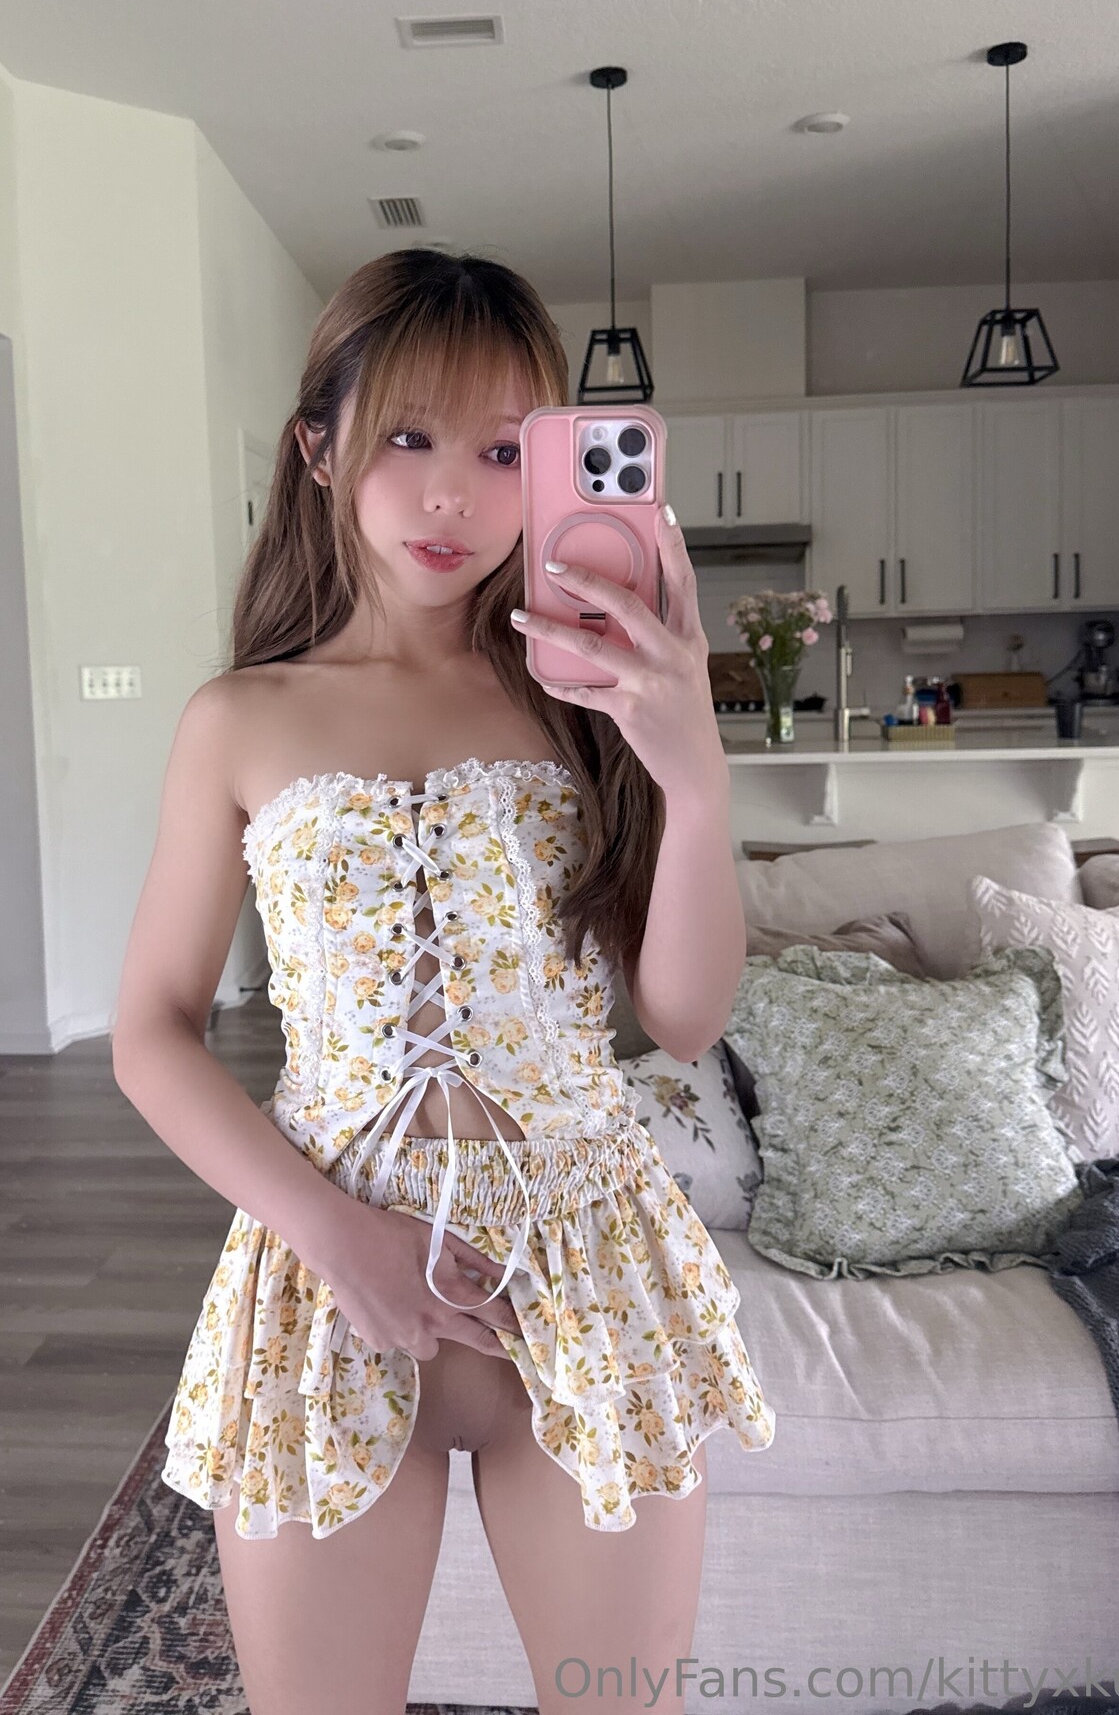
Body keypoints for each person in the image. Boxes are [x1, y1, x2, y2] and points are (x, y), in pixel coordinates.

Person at [111, 248, 775, 1715]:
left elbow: (684, 1016)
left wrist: (697, 776)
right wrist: (336, 1235)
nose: (451, 497)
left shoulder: (588, 698)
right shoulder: (240, 719)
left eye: (501, 451)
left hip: (587, 1259)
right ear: (318, 447)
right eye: (407, 436)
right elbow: (150, 1032)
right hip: (327, 1270)